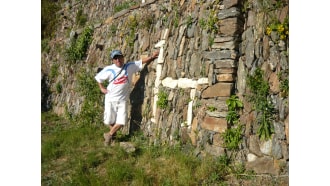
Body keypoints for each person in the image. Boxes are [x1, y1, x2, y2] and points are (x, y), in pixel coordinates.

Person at [95, 49, 159, 146]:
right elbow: (98, 78)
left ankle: (109, 135)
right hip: (110, 98)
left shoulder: (129, 66)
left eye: (119, 57)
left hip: (122, 99)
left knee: (122, 121)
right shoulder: (109, 69)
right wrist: (102, 88)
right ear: (112, 60)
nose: (118, 60)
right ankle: (113, 137)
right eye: (115, 58)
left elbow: (141, 62)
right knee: (109, 120)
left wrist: (152, 57)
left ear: (123, 57)